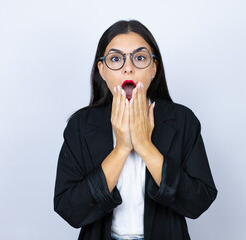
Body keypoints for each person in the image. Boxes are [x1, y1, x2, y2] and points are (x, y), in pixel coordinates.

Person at [53, 19, 218, 240]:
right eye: (115, 59)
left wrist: (144, 145)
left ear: (153, 69)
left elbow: (198, 202)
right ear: (102, 70)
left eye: (140, 58)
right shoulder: (81, 125)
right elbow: (69, 209)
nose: (128, 67)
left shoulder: (182, 120)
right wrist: (121, 148)